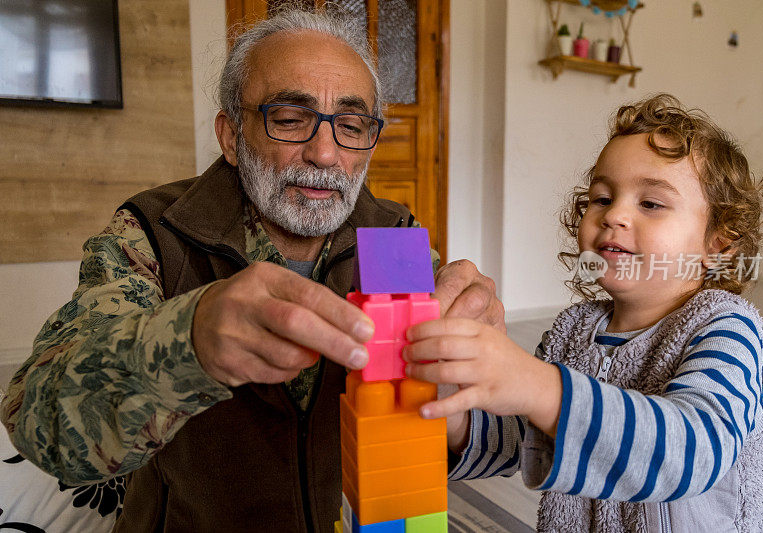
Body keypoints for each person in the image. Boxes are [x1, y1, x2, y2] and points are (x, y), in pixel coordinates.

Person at [0, 7, 503, 532]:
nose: (326, 153)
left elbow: (504, 443)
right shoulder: (153, 233)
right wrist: (188, 340)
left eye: (352, 125)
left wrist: (466, 394)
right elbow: (42, 423)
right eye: (289, 119)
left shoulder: (395, 237)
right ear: (231, 136)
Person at [404, 94, 763, 531]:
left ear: (717, 244)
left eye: (651, 204)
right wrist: (456, 413)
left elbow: (692, 452)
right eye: (602, 198)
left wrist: (536, 385)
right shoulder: (574, 331)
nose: (615, 215)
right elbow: (522, 438)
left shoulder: (727, 328)